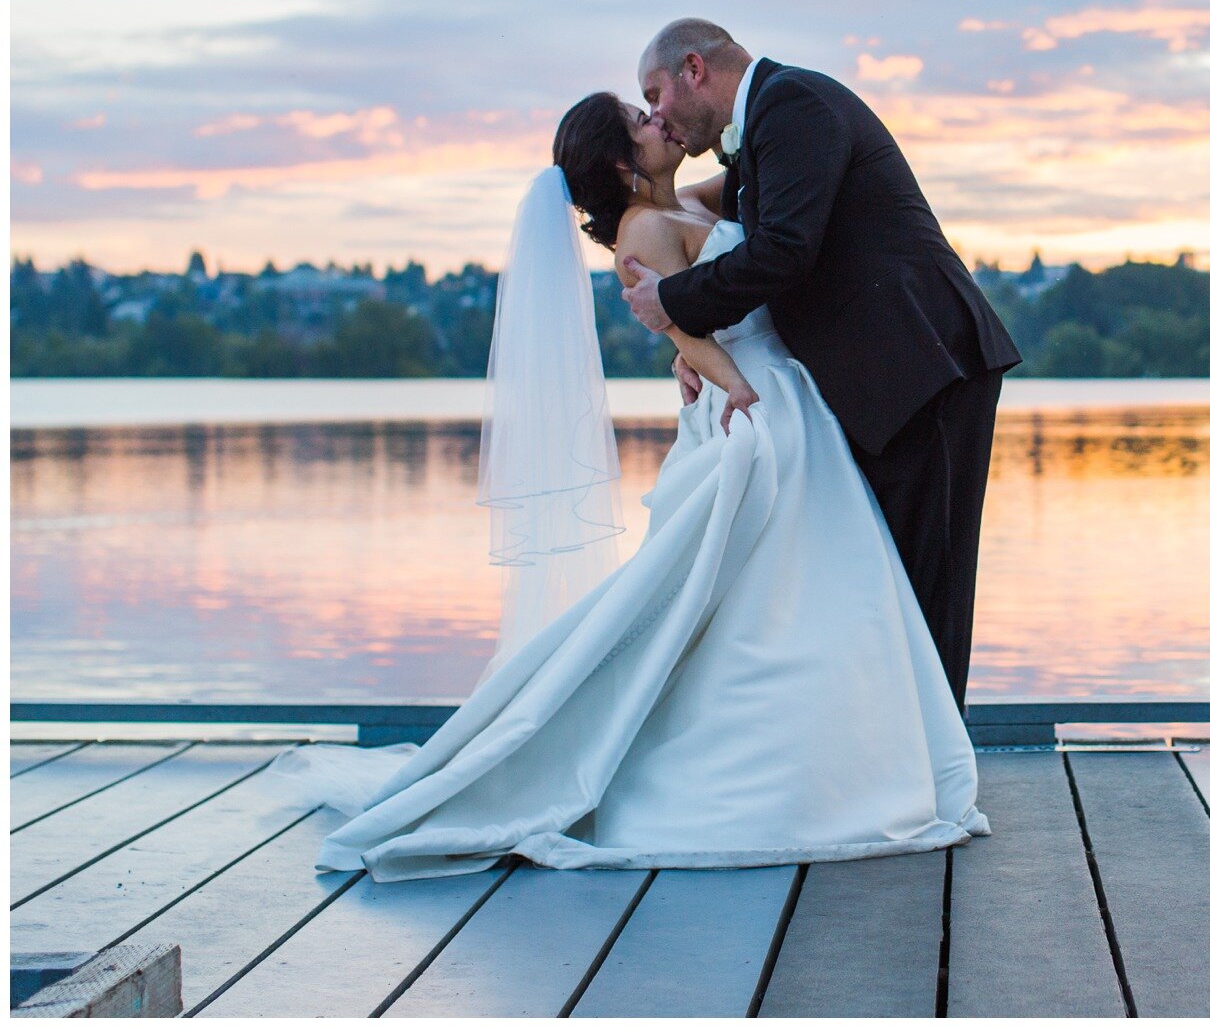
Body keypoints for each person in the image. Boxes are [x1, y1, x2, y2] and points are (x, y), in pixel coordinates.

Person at [264, 91, 987, 882]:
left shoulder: (689, 200)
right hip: (760, 409)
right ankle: (809, 773)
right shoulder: (642, 231)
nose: (658, 123)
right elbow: (689, 331)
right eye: (641, 123)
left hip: (788, 399)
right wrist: (740, 394)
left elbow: (757, 229)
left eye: (654, 112)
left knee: (800, 596)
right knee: (773, 598)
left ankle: (844, 757)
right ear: (619, 162)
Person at [621, 18, 1021, 710]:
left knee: (930, 580)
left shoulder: (792, 105)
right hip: (881, 382)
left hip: (927, 366)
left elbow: (783, 251)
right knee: (885, 581)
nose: (658, 115)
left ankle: (939, 774)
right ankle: (900, 759)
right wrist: (690, 343)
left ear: (694, 68)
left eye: (655, 93)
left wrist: (674, 302)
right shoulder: (761, 134)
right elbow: (688, 216)